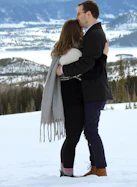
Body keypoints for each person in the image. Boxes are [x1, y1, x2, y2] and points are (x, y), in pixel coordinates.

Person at [40, 19, 109, 178]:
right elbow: (90, 70)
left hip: (68, 98)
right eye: (80, 31)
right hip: (74, 99)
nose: (83, 33)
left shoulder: (64, 51)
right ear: (75, 33)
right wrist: (103, 56)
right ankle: (67, 173)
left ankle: (66, 171)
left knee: (72, 136)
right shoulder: (74, 53)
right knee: (73, 137)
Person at [56, 0, 113, 177]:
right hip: (91, 92)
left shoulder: (94, 35)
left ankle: (100, 169)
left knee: (91, 131)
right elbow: (94, 64)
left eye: (79, 13)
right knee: (89, 131)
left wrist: (63, 70)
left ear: (89, 14)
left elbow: (86, 64)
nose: (77, 17)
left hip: (94, 92)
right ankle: (95, 167)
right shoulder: (93, 34)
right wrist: (103, 58)